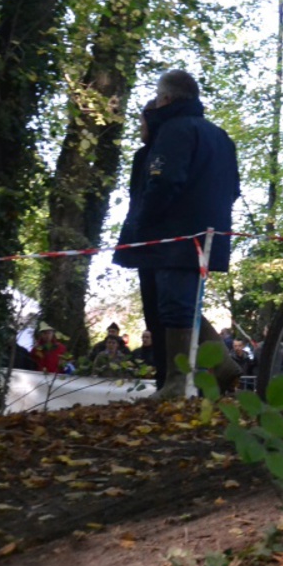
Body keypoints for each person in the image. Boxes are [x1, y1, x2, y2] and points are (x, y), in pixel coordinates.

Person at [114, 70, 242, 401]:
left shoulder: (174, 130)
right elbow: (234, 189)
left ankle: (176, 383)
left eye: (158, 98)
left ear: (167, 98)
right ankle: (222, 365)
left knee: (174, 306)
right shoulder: (220, 137)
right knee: (181, 303)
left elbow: (164, 181)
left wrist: (144, 223)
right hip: (208, 234)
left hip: (172, 236)